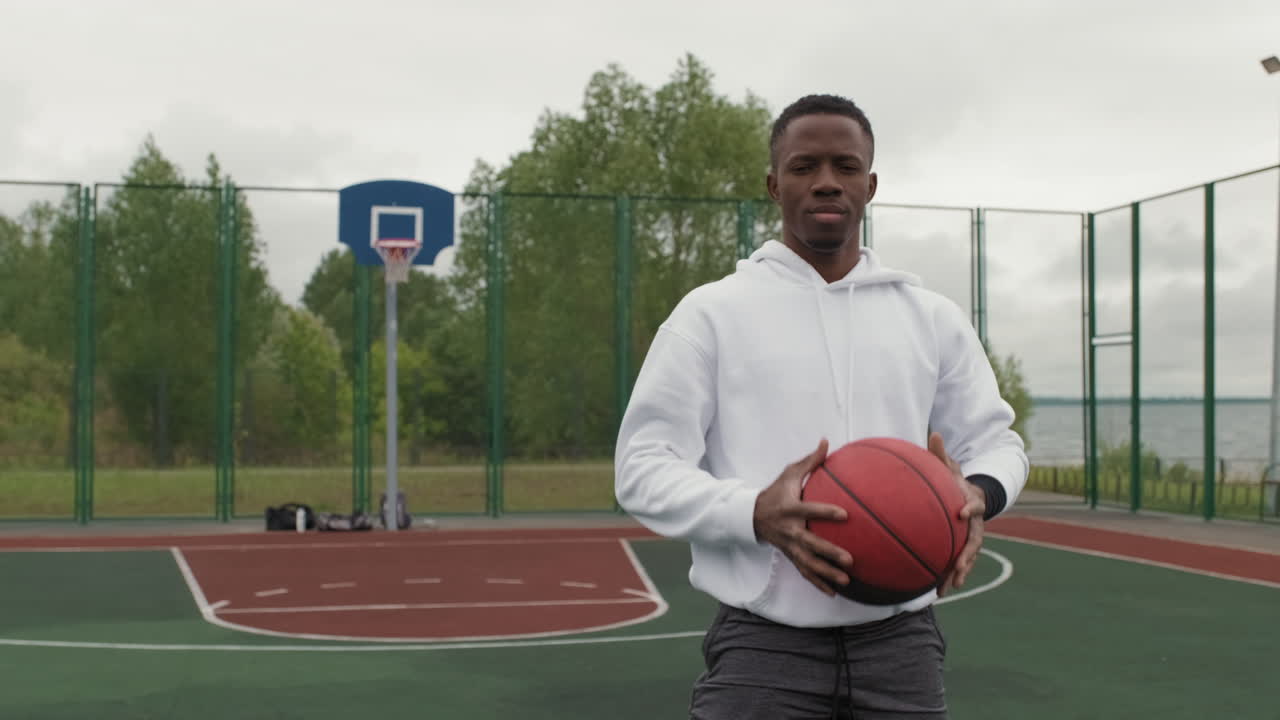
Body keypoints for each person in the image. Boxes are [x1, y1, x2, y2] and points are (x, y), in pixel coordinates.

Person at [613, 94, 1028, 719]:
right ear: (774, 185)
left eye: (845, 166)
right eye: (805, 167)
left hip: (902, 642)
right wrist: (754, 512)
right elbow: (642, 467)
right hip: (762, 643)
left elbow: (997, 442)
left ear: (871, 184)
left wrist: (978, 494)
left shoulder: (930, 317)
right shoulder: (710, 315)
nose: (827, 182)